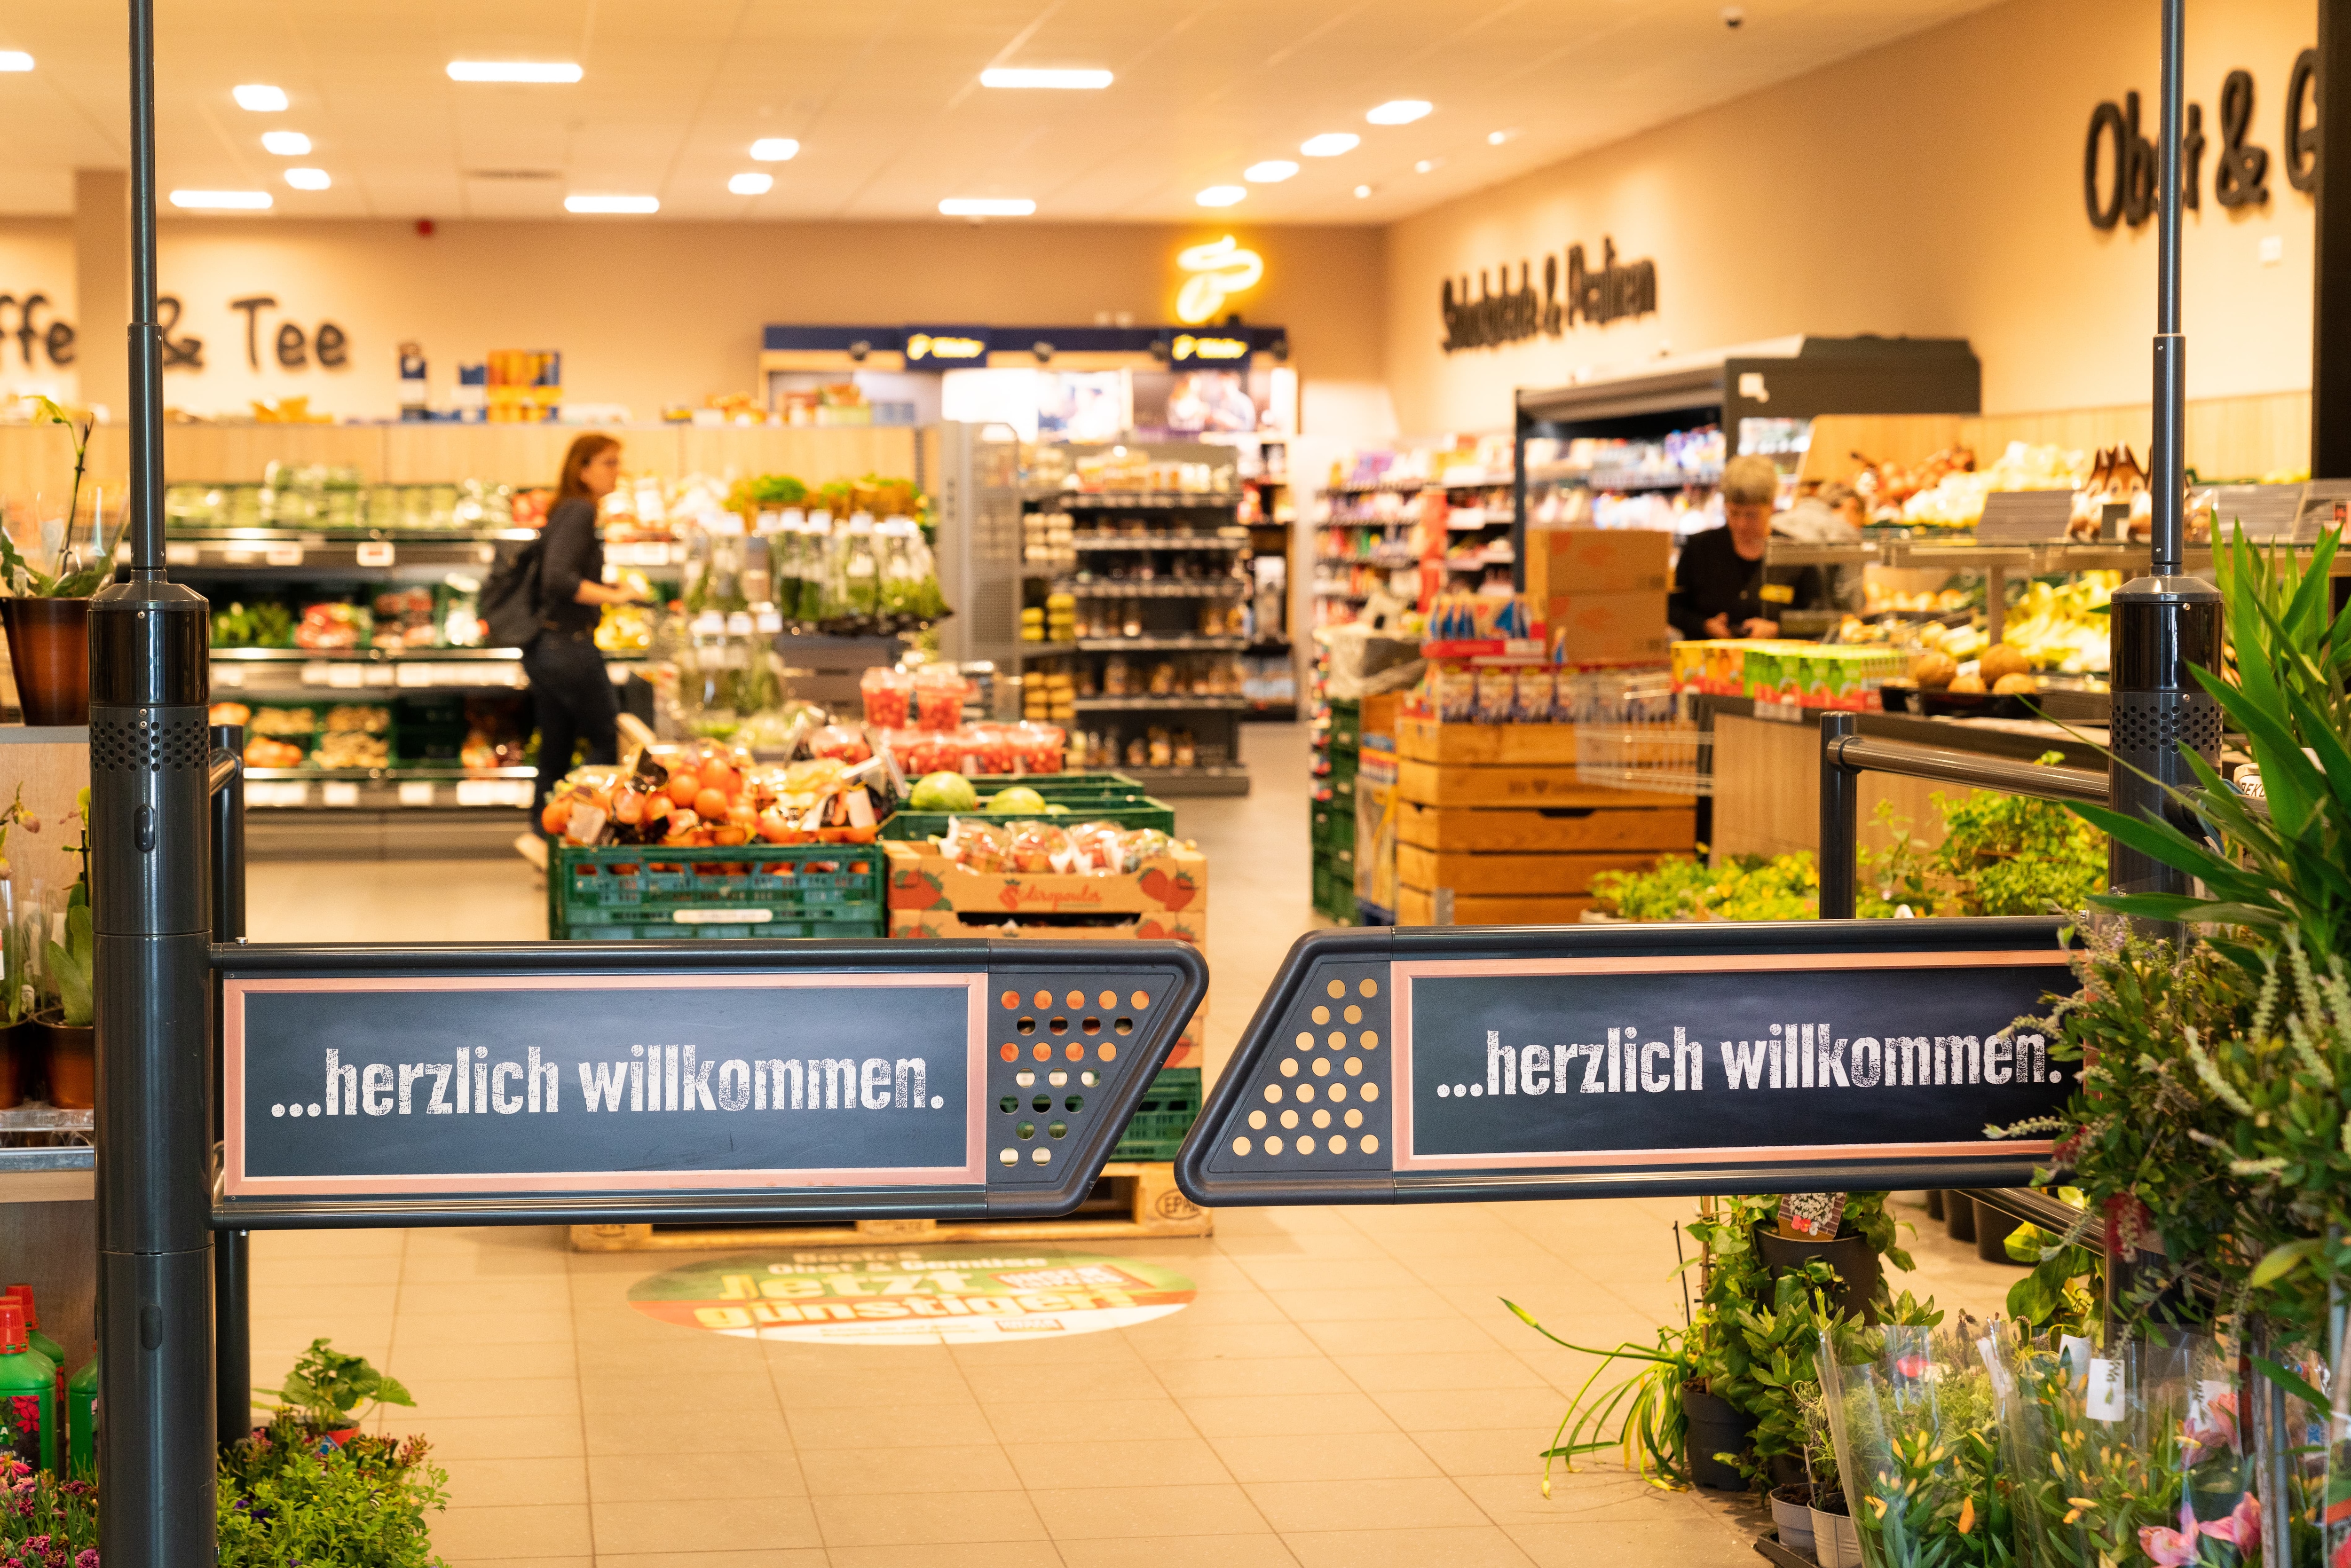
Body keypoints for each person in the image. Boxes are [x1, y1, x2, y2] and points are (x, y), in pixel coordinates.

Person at [525, 433, 642, 814]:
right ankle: (574, 815)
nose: (617, 471)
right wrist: (616, 596)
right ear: (583, 470)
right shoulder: (580, 510)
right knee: (609, 742)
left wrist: (610, 588)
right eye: (609, 462)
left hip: (548, 645)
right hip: (570, 648)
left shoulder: (566, 508)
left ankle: (545, 831)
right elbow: (559, 579)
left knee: (556, 749)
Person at [1667, 453, 1823, 640]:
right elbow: (1672, 608)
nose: (1741, 525)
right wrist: (1704, 625)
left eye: (1751, 515)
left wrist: (1777, 630)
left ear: (1771, 506)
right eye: (1734, 513)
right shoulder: (1699, 549)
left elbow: (1818, 618)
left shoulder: (1794, 554)